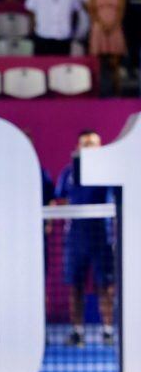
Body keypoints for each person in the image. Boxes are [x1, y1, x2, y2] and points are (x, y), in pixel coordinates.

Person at [52, 132, 116, 346]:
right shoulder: (68, 172)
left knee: (105, 285)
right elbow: (58, 199)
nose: (90, 148)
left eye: (94, 144)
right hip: (76, 236)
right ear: (77, 146)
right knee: (75, 285)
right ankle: (77, 332)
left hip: (102, 235)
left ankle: (108, 331)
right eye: (86, 144)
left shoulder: (109, 171)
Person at [88, 0, 127, 95]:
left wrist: (113, 24)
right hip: (99, 27)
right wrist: (101, 24)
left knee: (115, 63)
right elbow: (92, 10)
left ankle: (117, 92)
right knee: (98, 62)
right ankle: (98, 92)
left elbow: (121, 9)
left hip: (114, 27)